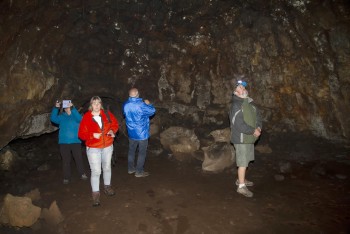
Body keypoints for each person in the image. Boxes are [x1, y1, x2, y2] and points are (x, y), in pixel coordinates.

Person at [78, 96, 119, 206]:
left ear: (101, 104)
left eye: (98, 103)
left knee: (107, 167)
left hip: (107, 146)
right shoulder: (86, 117)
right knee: (96, 171)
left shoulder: (107, 114)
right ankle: (95, 194)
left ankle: (107, 187)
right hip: (93, 148)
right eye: (94, 103)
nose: (96, 105)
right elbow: (81, 134)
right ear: (91, 105)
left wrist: (112, 130)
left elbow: (115, 124)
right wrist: (92, 135)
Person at [229, 80, 262, 198]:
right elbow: (238, 123)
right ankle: (241, 187)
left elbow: (258, 117)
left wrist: (258, 127)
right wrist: (253, 131)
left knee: (246, 160)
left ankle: (240, 179)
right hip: (241, 138)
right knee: (242, 162)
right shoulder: (236, 105)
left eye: (244, 88)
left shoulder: (250, 103)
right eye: (240, 88)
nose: (243, 90)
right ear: (235, 92)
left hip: (250, 138)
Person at [50, 100, 88, 185]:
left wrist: (73, 108)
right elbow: (53, 118)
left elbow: (80, 119)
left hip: (75, 142)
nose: (67, 107)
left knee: (78, 159)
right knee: (66, 160)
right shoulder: (61, 117)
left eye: (68, 105)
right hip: (64, 142)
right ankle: (66, 177)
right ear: (63, 107)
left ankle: (82, 174)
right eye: (65, 105)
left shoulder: (75, 116)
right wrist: (56, 108)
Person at [123, 88, 156, 178]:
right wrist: (149, 104)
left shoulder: (125, 104)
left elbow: (125, 114)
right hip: (142, 134)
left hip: (131, 132)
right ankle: (139, 172)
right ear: (137, 94)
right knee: (142, 153)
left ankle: (130, 169)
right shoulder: (142, 105)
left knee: (131, 151)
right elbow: (152, 111)